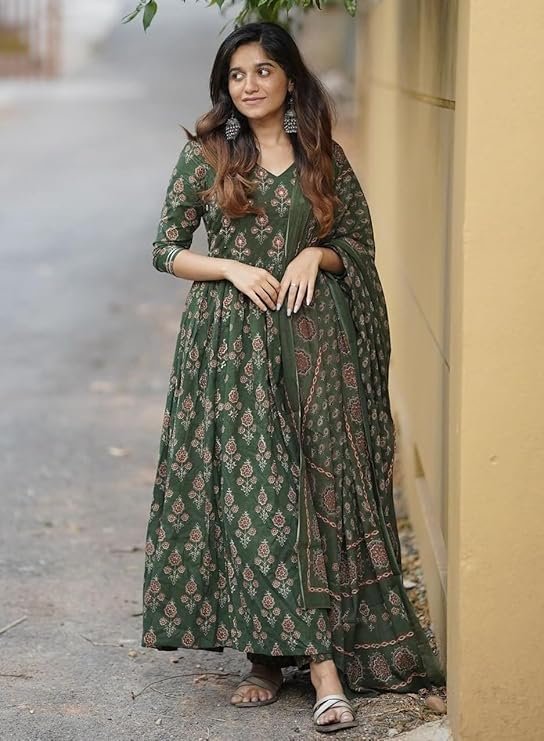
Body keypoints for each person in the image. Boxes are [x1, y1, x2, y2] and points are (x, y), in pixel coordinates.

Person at [141, 21, 444, 734]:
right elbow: (166, 249)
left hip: (316, 350)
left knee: (314, 488)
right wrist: (231, 267)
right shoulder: (207, 154)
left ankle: (275, 656)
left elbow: (357, 245)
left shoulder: (321, 156)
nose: (248, 85)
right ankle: (312, 667)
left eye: (262, 72)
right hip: (233, 349)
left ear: (288, 80)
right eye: (236, 74)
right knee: (260, 491)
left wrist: (316, 255)